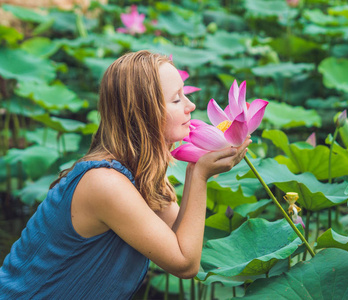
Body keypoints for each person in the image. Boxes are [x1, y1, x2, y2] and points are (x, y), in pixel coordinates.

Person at [0, 50, 251, 299]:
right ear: (144, 113)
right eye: (176, 100)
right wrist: (199, 177)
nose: (191, 106)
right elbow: (185, 264)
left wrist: (195, 167)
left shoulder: (139, 174)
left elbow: (179, 235)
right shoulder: (104, 183)